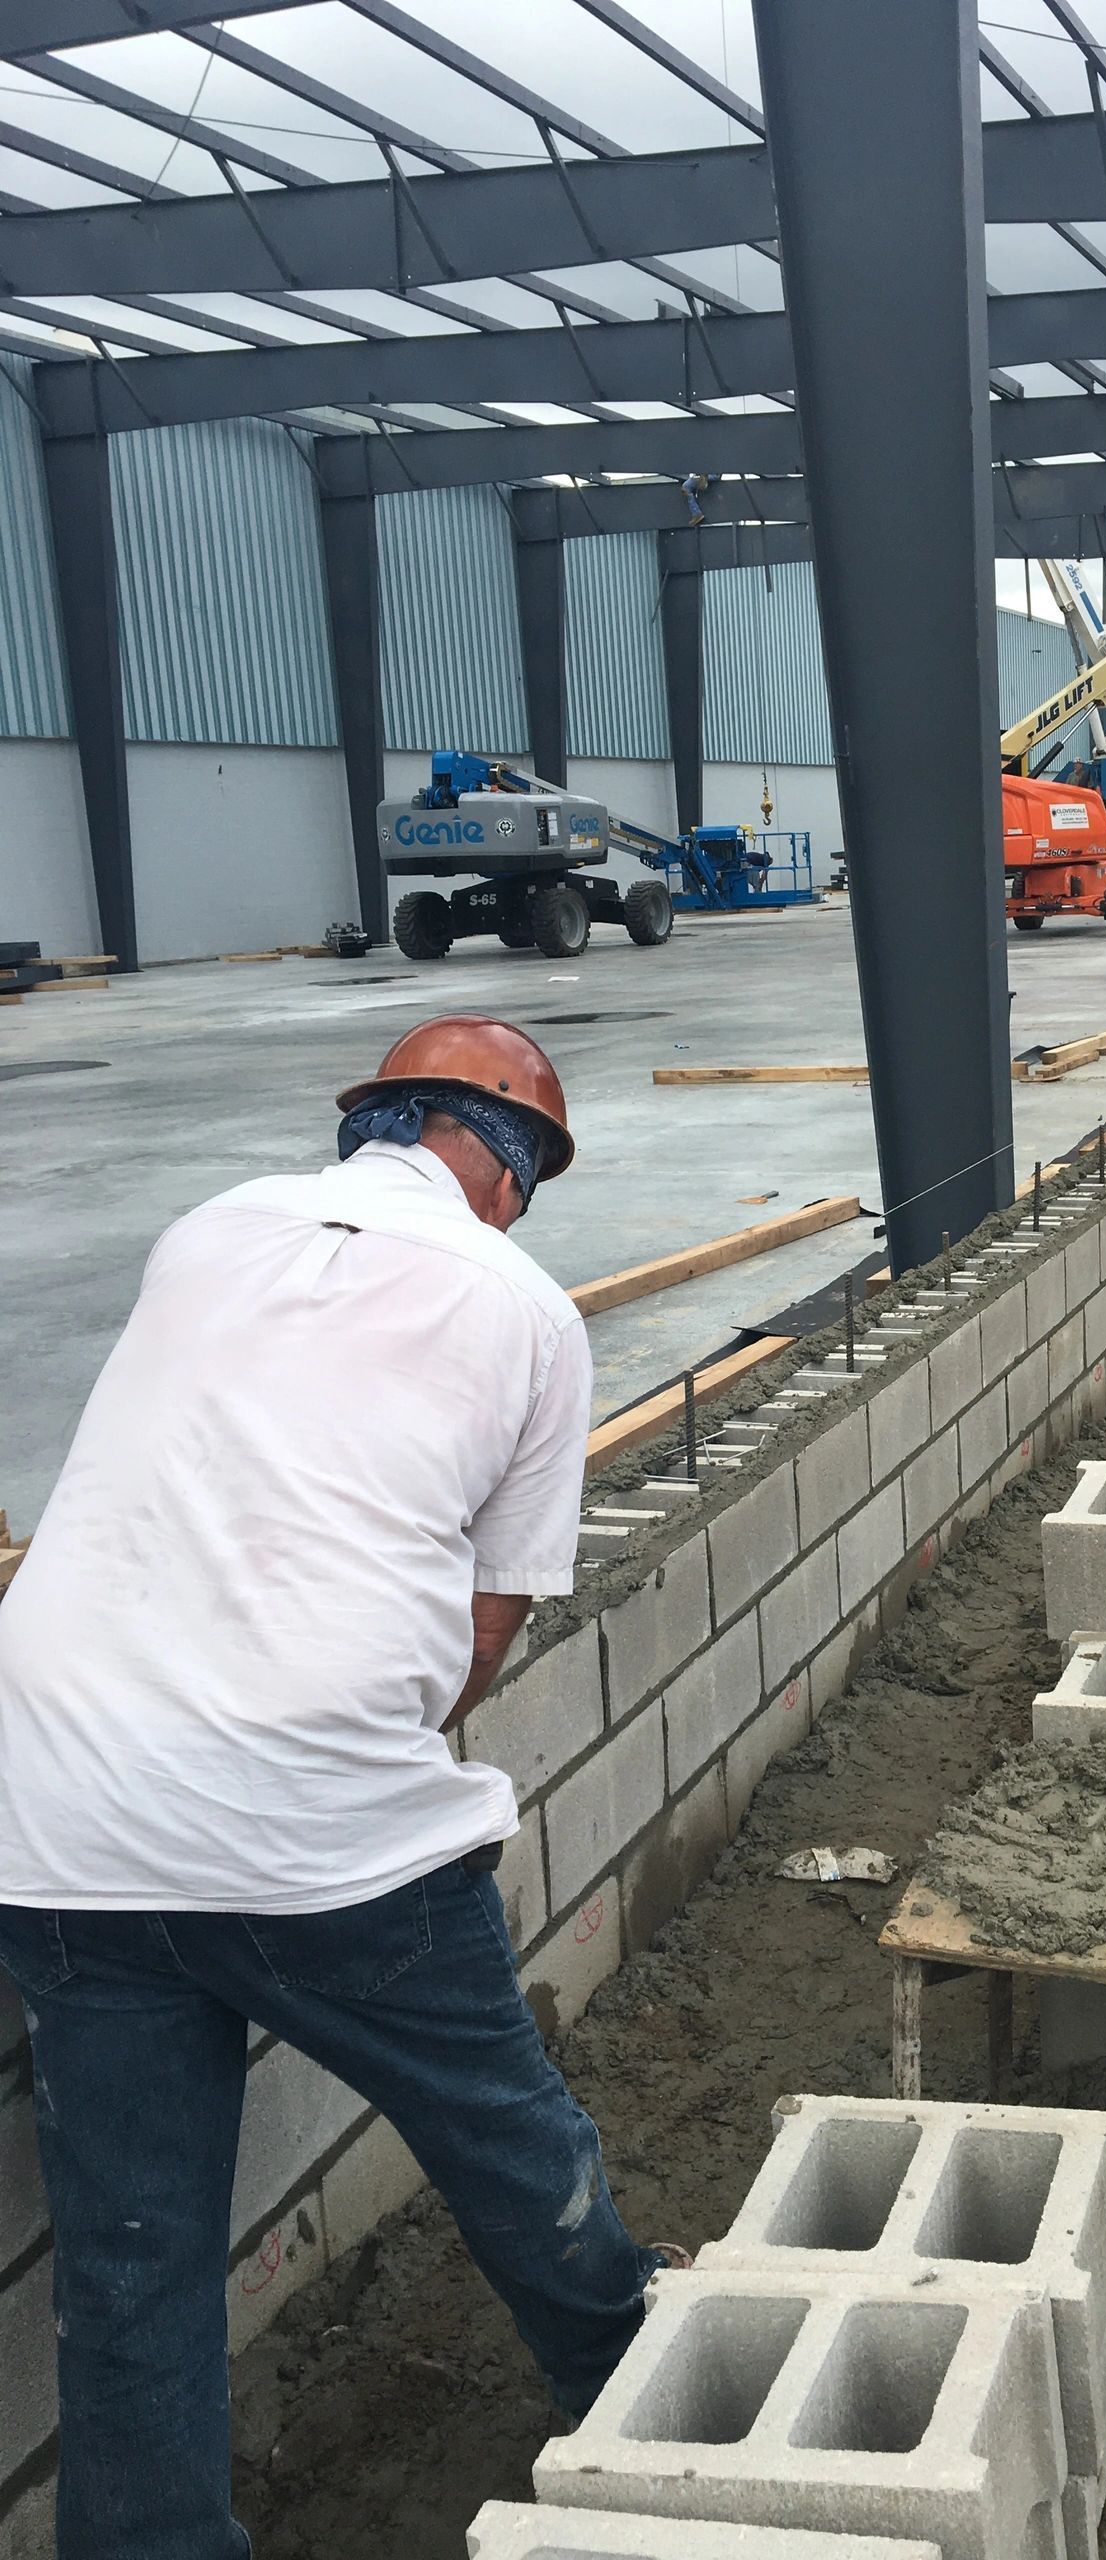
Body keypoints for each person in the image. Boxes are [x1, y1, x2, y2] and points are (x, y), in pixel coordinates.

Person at [0, 1016, 684, 2560]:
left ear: (374, 1122)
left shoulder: (206, 1231)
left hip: (50, 1818)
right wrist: (343, 1718)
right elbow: (481, 1633)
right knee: (509, 2142)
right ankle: (650, 2396)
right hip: (319, 1830)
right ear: (507, 1167)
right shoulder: (521, 1306)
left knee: (129, 2261)